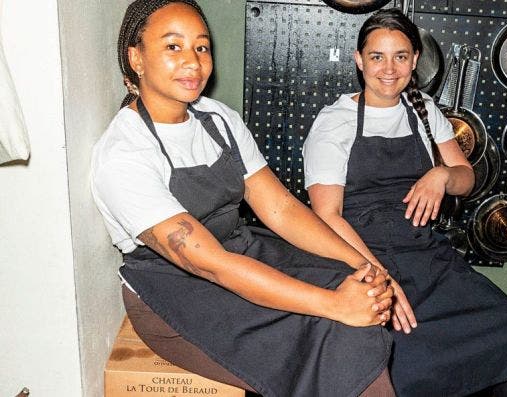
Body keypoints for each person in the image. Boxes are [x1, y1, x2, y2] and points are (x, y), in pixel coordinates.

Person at [91, 1, 398, 396]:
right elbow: (210, 265)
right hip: (178, 290)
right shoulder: (124, 153)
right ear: (136, 58)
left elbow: (282, 209)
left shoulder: (218, 119)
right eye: (173, 47)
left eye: (201, 47)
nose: (193, 61)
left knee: (353, 284)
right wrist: (334, 305)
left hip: (241, 251)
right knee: (333, 330)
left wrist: (364, 264)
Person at [303, 8, 507, 397]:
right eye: (377, 57)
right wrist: (379, 277)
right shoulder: (334, 122)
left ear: (414, 60)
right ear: (359, 60)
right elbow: (327, 216)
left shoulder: (423, 110)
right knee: (410, 363)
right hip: (357, 254)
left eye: (401, 56)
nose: (389, 69)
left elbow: (466, 178)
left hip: (425, 253)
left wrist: (441, 175)